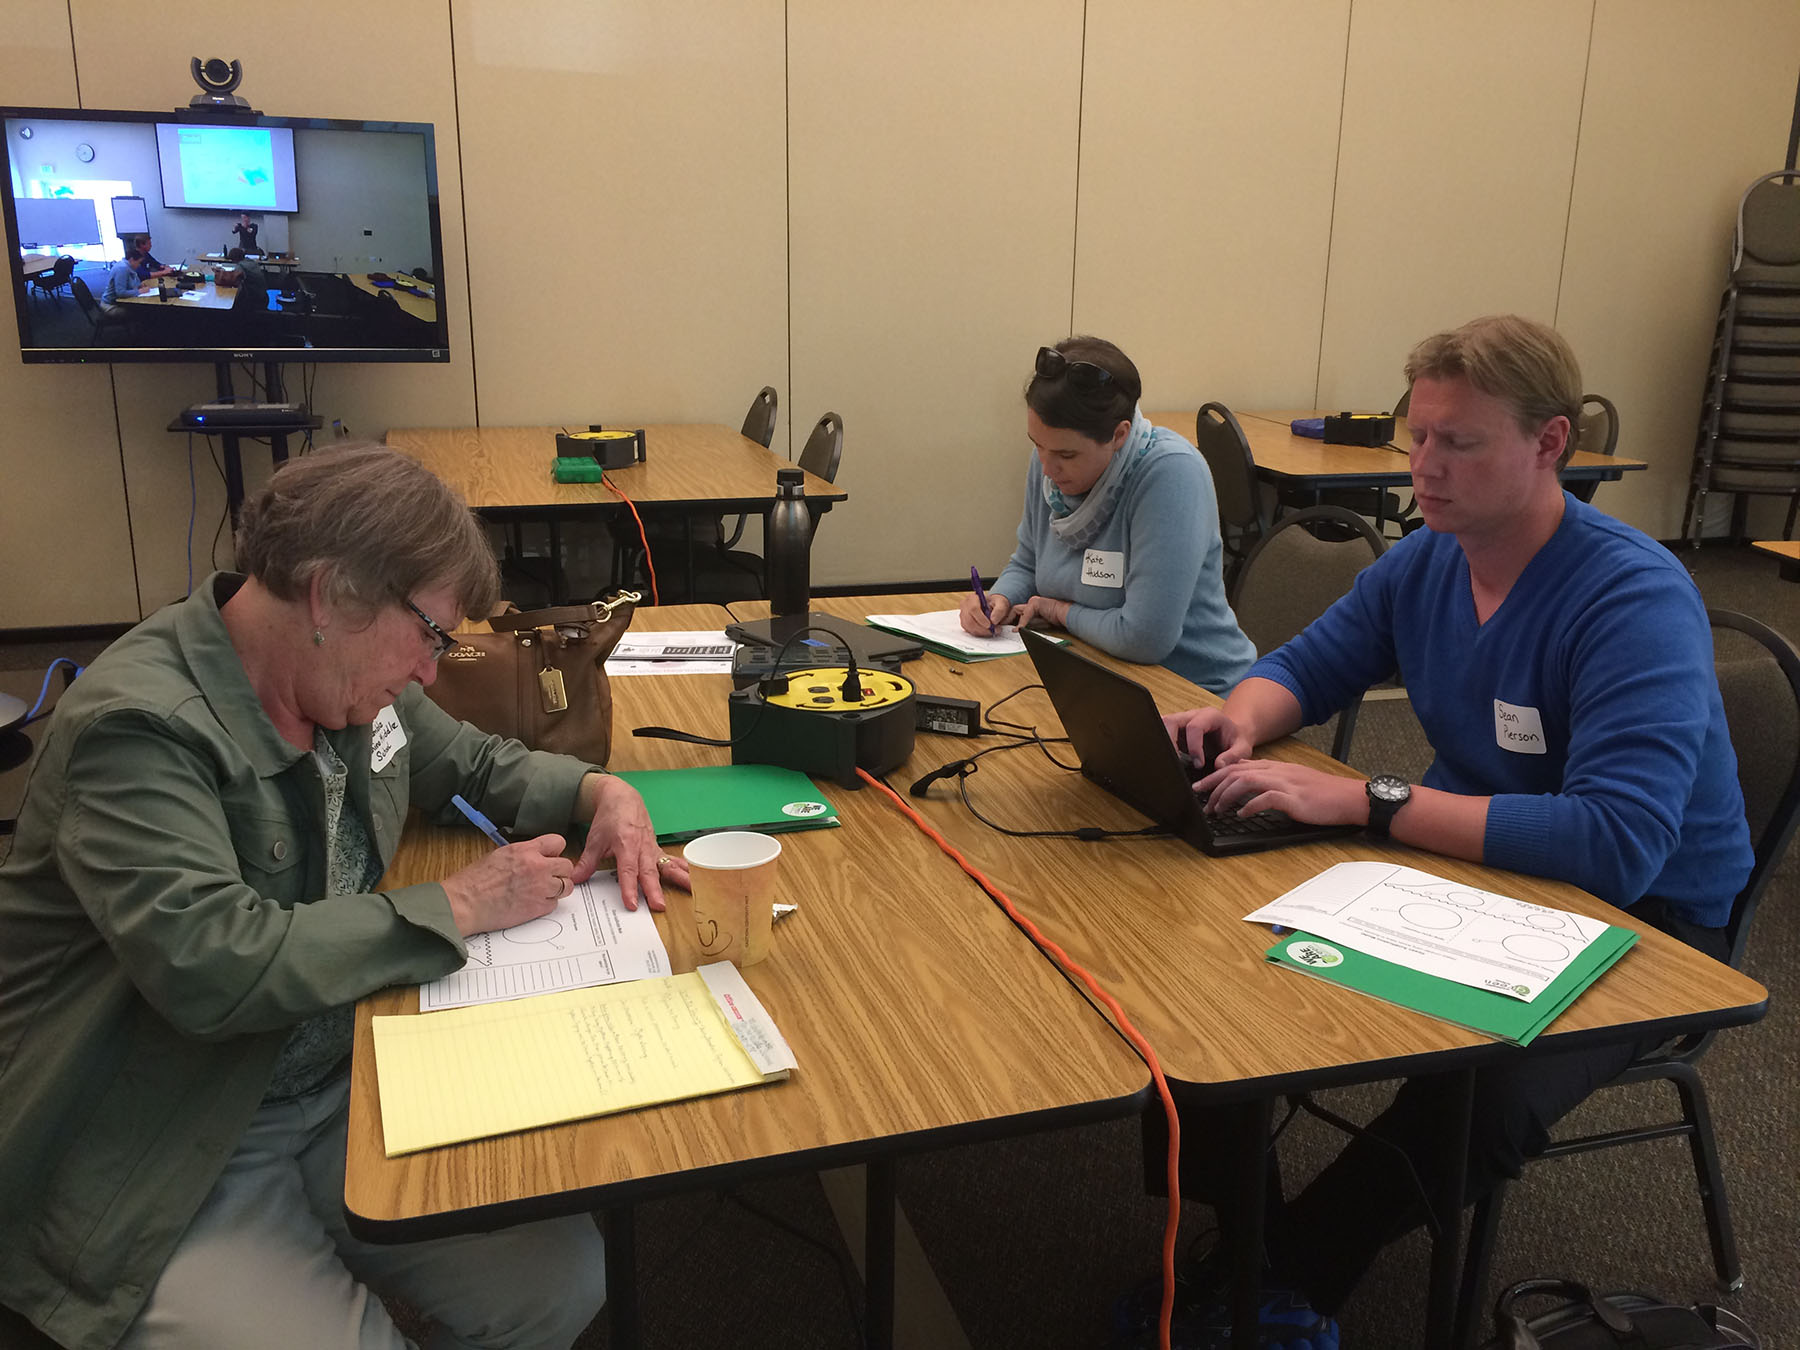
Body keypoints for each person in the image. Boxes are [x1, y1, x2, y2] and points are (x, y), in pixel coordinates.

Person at [1118, 315, 1752, 1349]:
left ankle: (1295, 1274)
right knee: (1197, 974)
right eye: (1417, 439)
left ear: (1550, 445)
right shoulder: (1431, 561)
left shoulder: (1631, 595)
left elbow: (1618, 842)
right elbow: (1310, 665)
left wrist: (1371, 803)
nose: (1425, 468)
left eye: (1458, 443)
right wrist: (1240, 719)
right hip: (1485, 867)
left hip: (1653, 915)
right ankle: (1255, 1247)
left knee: (1480, 1093)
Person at [0, 444, 691, 1350]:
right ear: (331, 596)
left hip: (338, 1078)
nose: (434, 671)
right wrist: (461, 905)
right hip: (165, 1129)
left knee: (556, 1283)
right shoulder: (137, 729)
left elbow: (475, 761)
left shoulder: (352, 685)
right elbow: (212, 963)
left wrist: (604, 795)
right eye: (433, 637)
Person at [959, 336, 1255, 694]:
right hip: (1093, 673)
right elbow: (1028, 563)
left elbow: (1144, 638)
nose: (1047, 467)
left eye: (1066, 456)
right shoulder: (1049, 463)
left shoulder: (1172, 475)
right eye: (1037, 445)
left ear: (1119, 435)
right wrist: (1000, 599)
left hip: (1194, 693)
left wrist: (1057, 611)